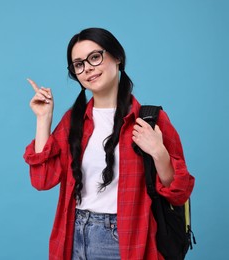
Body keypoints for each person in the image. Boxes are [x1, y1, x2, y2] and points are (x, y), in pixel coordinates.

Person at [23, 27, 195, 260]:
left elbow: (179, 193)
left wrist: (159, 153)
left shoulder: (150, 120)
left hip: (122, 239)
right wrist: (43, 119)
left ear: (117, 58)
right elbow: (42, 181)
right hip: (74, 234)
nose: (88, 68)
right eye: (79, 64)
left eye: (95, 57)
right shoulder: (73, 121)